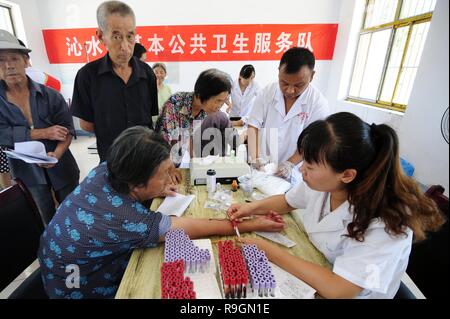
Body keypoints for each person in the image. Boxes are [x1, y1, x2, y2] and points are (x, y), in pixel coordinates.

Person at [38, 126, 285, 299]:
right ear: (137, 182)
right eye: (164, 173)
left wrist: (156, 186)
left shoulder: (108, 169)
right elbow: (189, 228)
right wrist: (249, 224)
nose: (172, 178)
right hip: (77, 287)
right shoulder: (127, 218)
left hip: (58, 265)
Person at [228, 112, 445, 299]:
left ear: (347, 175)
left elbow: (339, 290)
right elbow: (287, 201)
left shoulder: (387, 223)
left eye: (310, 167)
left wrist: (268, 251)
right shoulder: (321, 184)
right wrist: (250, 208)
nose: (301, 170)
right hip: (324, 268)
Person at [0, 29, 79, 224]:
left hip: (62, 167)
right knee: (43, 220)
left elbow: (67, 129)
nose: (8, 65)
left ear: (26, 61)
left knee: (75, 215)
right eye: (1, 60)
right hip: (27, 173)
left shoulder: (51, 95)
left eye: (14, 59)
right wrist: (43, 133)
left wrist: (57, 153)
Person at [71, 1, 159, 164]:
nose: (125, 47)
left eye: (130, 36)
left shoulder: (147, 73)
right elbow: (86, 125)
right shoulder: (87, 76)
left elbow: (149, 117)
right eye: (117, 36)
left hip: (144, 158)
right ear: (100, 36)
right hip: (111, 161)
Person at [247, 47, 329, 180]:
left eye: (298, 85)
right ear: (279, 71)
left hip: (294, 171)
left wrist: (290, 163)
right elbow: (253, 126)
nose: (290, 90)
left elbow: (312, 143)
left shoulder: (318, 104)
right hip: (262, 167)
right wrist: (255, 158)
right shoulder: (267, 92)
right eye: (284, 83)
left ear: (312, 76)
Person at [155, 68, 232, 164]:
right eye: (218, 101)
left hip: (176, 163)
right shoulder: (175, 104)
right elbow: (165, 142)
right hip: (158, 163)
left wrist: (195, 162)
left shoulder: (204, 111)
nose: (219, 107)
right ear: (200, 95)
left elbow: (190, 137)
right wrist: (170, 169)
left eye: (224, 101)